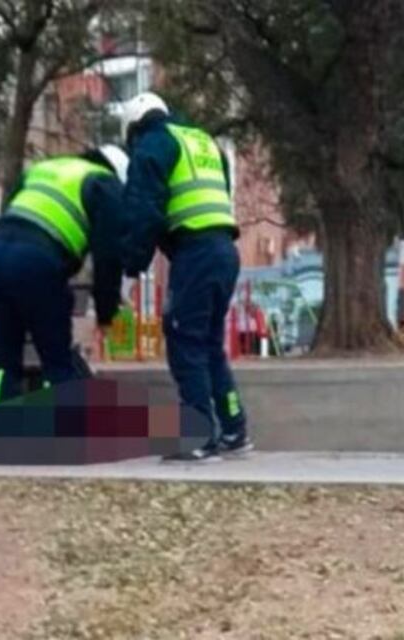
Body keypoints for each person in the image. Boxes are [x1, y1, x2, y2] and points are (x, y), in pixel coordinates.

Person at [119, 92, 252, 461]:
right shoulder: (201, 140)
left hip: (195, 253)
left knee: (183, 339)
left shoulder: (153, 144)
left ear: (133, 128)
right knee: (208, 343)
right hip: (225, 249)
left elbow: (144, 209)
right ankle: (233, 428)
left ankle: (197, 436)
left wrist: (130, 264)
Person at [0, 145, 133, 404]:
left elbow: (11, 211)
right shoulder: (105, 184)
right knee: (56, 360)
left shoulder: (43, 169)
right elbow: (109, 256)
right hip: (38, 262)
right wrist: (106, 312)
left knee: (2, 361)